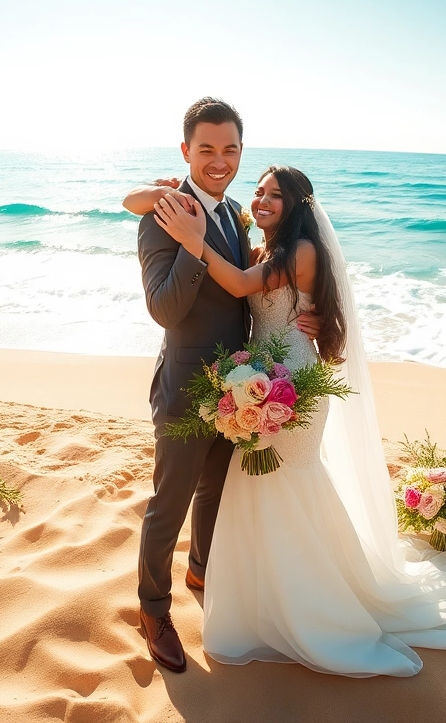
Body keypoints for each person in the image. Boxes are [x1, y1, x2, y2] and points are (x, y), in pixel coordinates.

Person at [133, 164, 446, 677]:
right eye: (258, 191)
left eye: (276, 195)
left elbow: (236, 285)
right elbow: (250, 286)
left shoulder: (298, 251)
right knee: (252, 486)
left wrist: (193, 240)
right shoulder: (261, 242)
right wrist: (155, 193)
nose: (262, 200)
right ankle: (239, 585)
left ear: (299, 205)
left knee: (285, 482)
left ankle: (300, 598)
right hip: (258, 371)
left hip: (292, 380)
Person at [128, 97, 320, 673]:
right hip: (187, 383)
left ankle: (202, 570)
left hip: (242, 387)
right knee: (169, 502)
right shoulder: (162, 215)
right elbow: (164, 309)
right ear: (185, 151)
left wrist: (313, 318)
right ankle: (153, 608)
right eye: (206, 148)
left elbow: (261, 284)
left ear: (241, 152)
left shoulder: (239, 212)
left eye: (230, 149)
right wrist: (190, 244)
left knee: (217, 491)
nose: (219, 160)